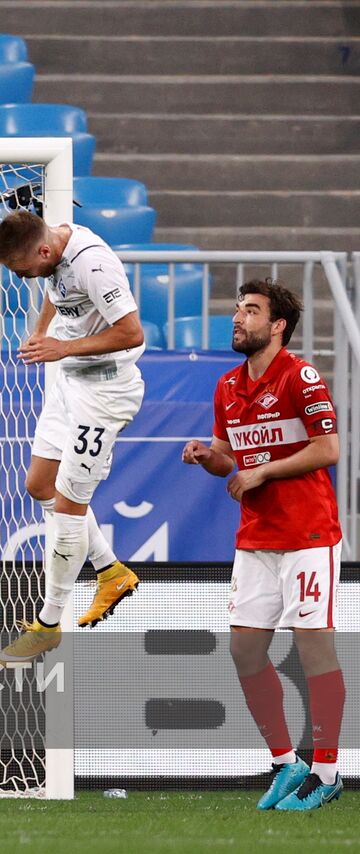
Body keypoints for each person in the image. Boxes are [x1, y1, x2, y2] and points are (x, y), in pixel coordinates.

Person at [182, 279, 344, 811]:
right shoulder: (228, 386)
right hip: (257, 537)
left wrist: (264, 471)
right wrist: (210, 458)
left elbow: (329, 448)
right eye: (237, 309)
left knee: (313, 646)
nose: (237, 317)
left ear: (277, 325)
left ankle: (326, 772)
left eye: (250, 311)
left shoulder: (301, 377)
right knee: (244, 650)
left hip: (308, 534)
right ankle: (284, 762)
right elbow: (231, 460)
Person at [0, 211, 147, 666]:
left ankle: (48, 624)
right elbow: (54, 292)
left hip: (106, 393)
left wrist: (63, 347)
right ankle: (111, 574)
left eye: (22, 269)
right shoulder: (53, 244)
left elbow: (131, 331)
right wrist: (41, 332)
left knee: (69, 508)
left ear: (43, 251)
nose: (21, 277)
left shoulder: (94, 265)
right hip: (71, 382)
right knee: (39, 485)